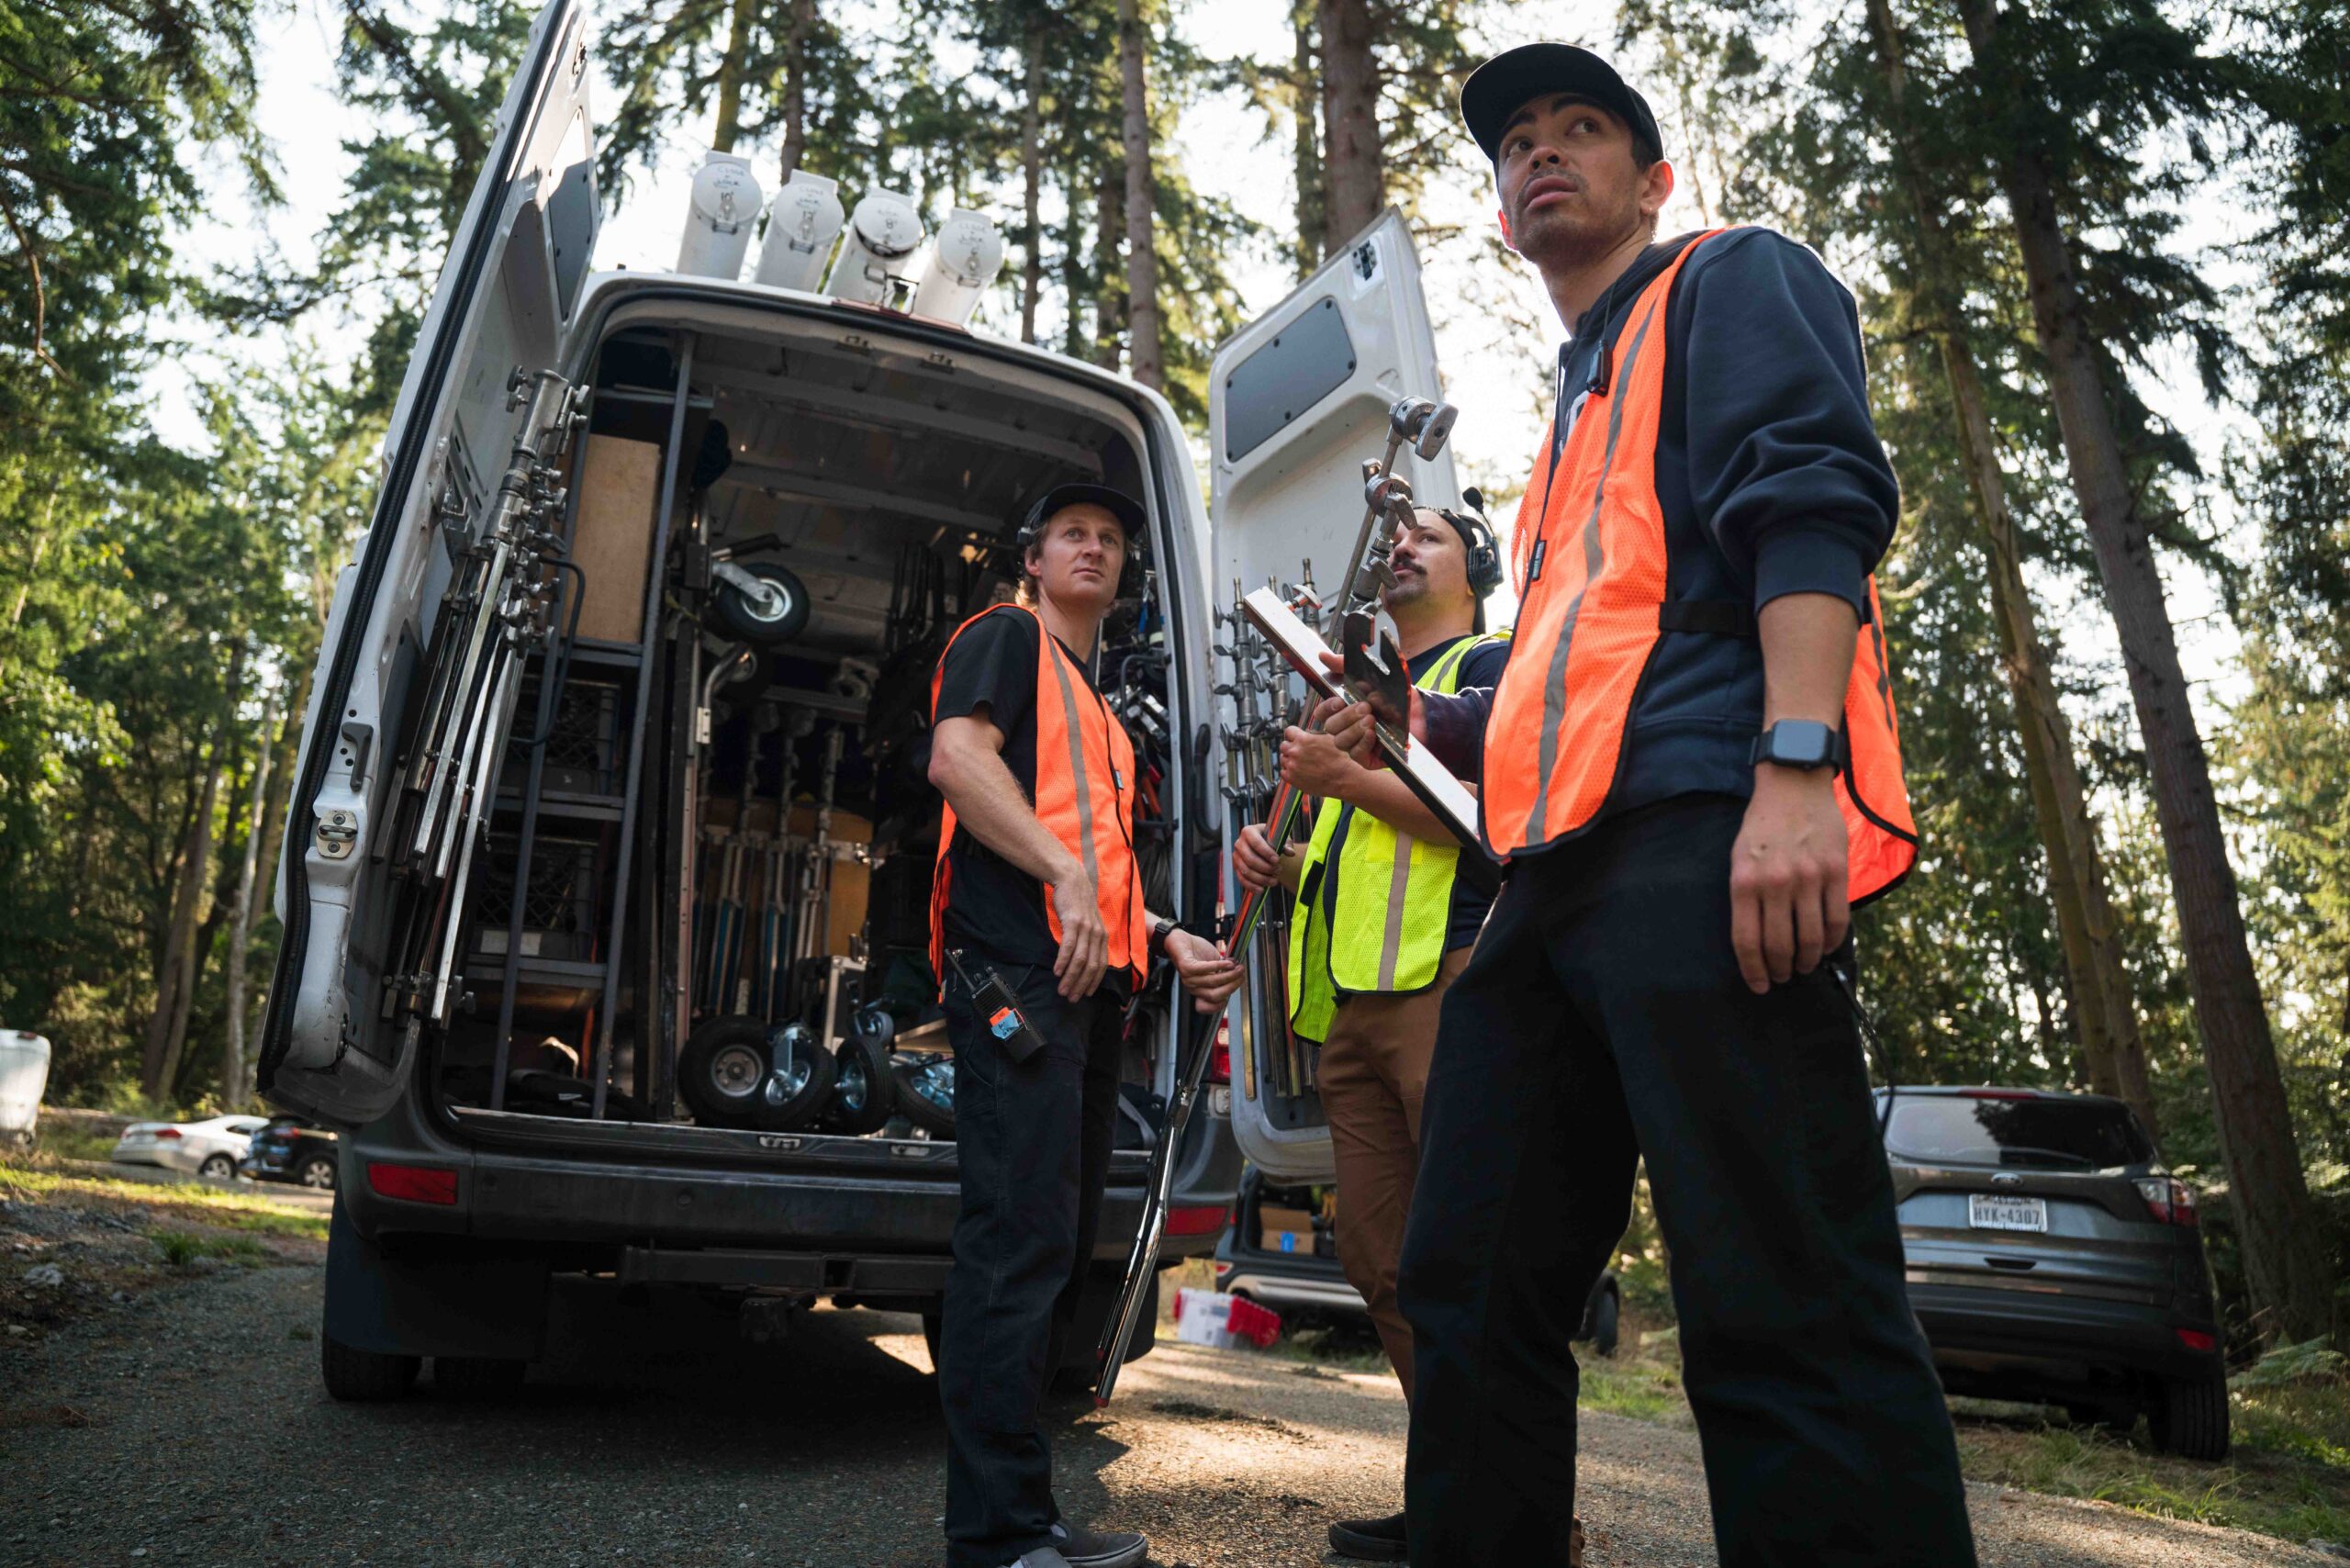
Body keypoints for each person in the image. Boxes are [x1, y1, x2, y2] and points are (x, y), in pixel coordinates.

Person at [1312, 43, 1977, 1568]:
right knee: (1468, 1275)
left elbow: (1810, 504)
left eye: (1581, 129)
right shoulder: (1570, 419)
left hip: (1707, 836)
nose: (1541, 152)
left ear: (1652, 178)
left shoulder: (1732, 278)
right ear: (1500, 210)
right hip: (1546, 889)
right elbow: (1566, 677)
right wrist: (1414, 722)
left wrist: (1795, 770)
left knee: (1780, 1289)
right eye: (1516, 144)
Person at [925, 483, 1246, 1568]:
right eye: (1073, 534)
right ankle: (996, 1536)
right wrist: (1062, 870)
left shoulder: (1099, 713)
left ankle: (1028, 1514)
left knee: (1052, 1247)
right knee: (1014, 1245)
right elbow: (958, 761)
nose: (1094, 548)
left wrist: (1166, 935)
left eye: (1109, 538)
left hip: (1086, 991)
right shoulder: (1005, 637)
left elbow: (1099, 871)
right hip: (1015, 974)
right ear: (1034, 558)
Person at [1232, 506, 1541, 1564]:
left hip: (1448, 986)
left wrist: (1349, 781)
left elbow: (1494, 818)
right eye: (1393, 534)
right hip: (1351, 1009)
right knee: (1380, 1261)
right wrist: (1280, 857)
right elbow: (1347, 846)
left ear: (1476, 570)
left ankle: (1520, 1521)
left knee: (1463, 1262)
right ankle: (1454, 1492)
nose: (1400, 543)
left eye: (1430, 537)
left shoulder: (1489, 667)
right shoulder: (1353, 698)